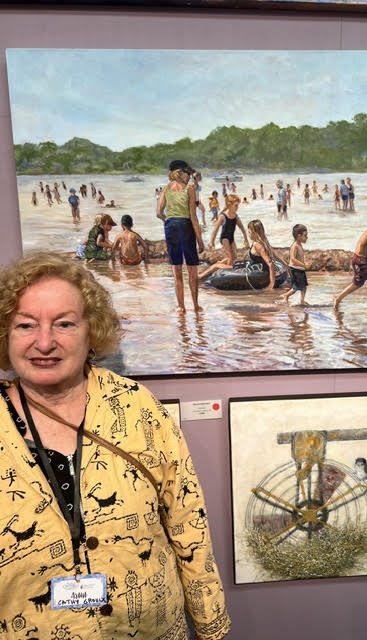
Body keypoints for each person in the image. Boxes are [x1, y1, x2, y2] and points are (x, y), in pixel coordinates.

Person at [0, 251, 230, 640]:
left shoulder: (137, 406)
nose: (45, 342)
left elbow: (187, 521)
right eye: (26, 325)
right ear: (5, 334)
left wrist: (210, 627)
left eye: (64, 323)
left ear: (91, 331)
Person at [156, 160, 204, 313]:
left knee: (176, 269)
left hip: (171, 227)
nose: (189, 177)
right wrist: (200, 241)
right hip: (186, 226)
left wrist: (169, 221)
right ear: (180, 173)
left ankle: (181, 306)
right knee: (192, 270)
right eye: (188, 173)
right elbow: (193, 217)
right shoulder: (189, 189)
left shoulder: (166, 189)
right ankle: (195, 305)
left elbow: (158, 213)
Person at [199, 194, 249, 281]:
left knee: (234, 257)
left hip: (231, 238)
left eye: (238, 205)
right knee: (230, 258)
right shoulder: (223, 216)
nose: (237, 208)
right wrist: (211, 241)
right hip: (224, 238)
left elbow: (242, 228)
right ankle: (225, 273)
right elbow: (216, 229)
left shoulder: (236, 216)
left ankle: (220, 264)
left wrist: (246, 239)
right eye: (236, 205)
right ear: (229, 205)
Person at [247, 219, 283, 291]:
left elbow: (270, 263)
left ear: (255, 233)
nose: (248, 234)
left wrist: (271, 284)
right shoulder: (264, 241)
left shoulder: (257, 245)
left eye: (249, 232)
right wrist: (285, 266)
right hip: (264, 271)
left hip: (261, 274)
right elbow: (274, 254)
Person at [280, 224, 309, 305]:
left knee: (304, 286)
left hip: (300, 269)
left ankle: (302, 300)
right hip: (295, 269)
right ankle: (286, 295)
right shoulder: (294, 246)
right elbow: (293, 259)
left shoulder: (299, 245)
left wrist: (303, 265)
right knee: (296, 287)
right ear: (299, 236)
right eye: (305, 235)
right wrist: (304, 265)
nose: (307, 237)